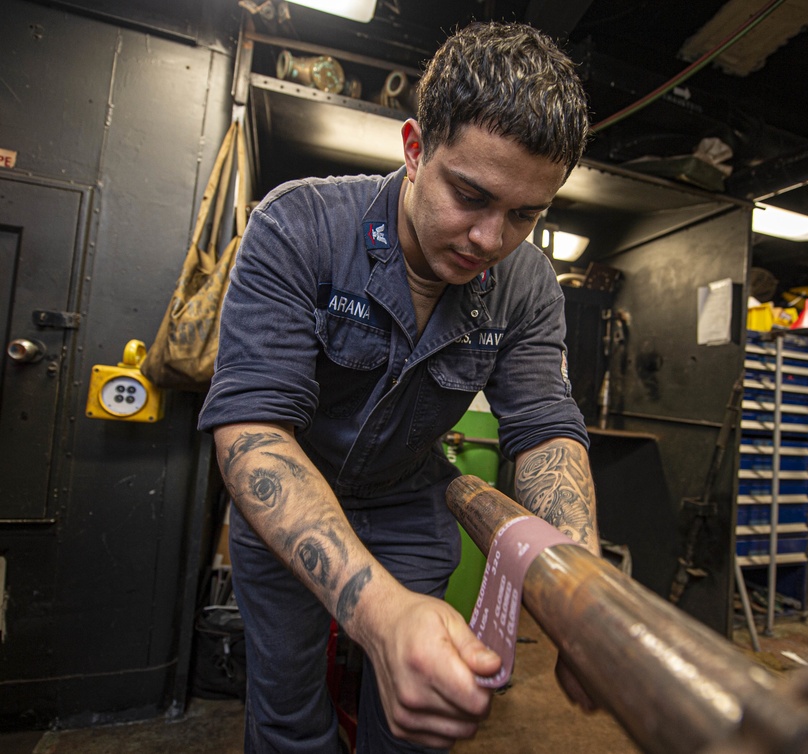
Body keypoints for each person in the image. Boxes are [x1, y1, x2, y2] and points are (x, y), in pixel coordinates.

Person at [198, 20, 600, 753]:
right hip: (286, 498)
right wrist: (380, 614)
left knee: (418, 722)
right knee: (289, 716)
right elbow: (253, 432)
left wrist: (583, 595)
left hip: (410, 505)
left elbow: (544, 425)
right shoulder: (299, 225)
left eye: (524, 215)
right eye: (470, 195)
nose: (490, 239)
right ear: (415, 149)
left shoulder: (529, 282)